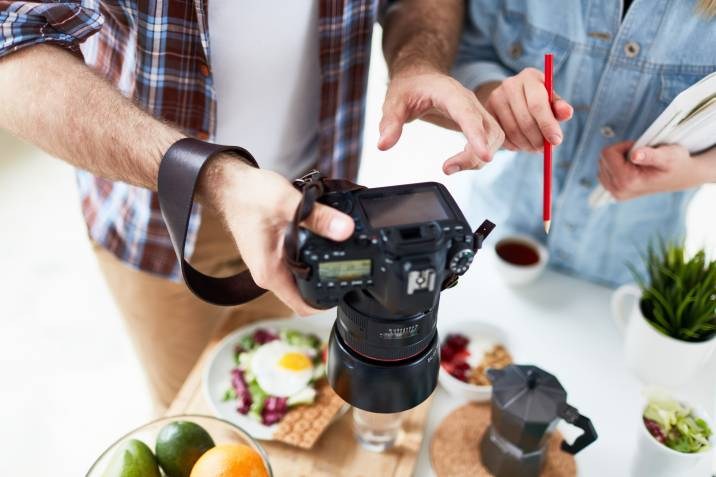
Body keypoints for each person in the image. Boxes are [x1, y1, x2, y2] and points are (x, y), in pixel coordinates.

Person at [0, 0, 503, 411]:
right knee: (192, 418)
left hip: (314, 210)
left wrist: (418, 61)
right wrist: (214, 177)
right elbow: (10, 38)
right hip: (156, 216)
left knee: (285, 404)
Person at [452, 0, 716, 286]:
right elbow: (464, 52)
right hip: (495, 239)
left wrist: (695, 170)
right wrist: (495, 95)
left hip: (626, 273)